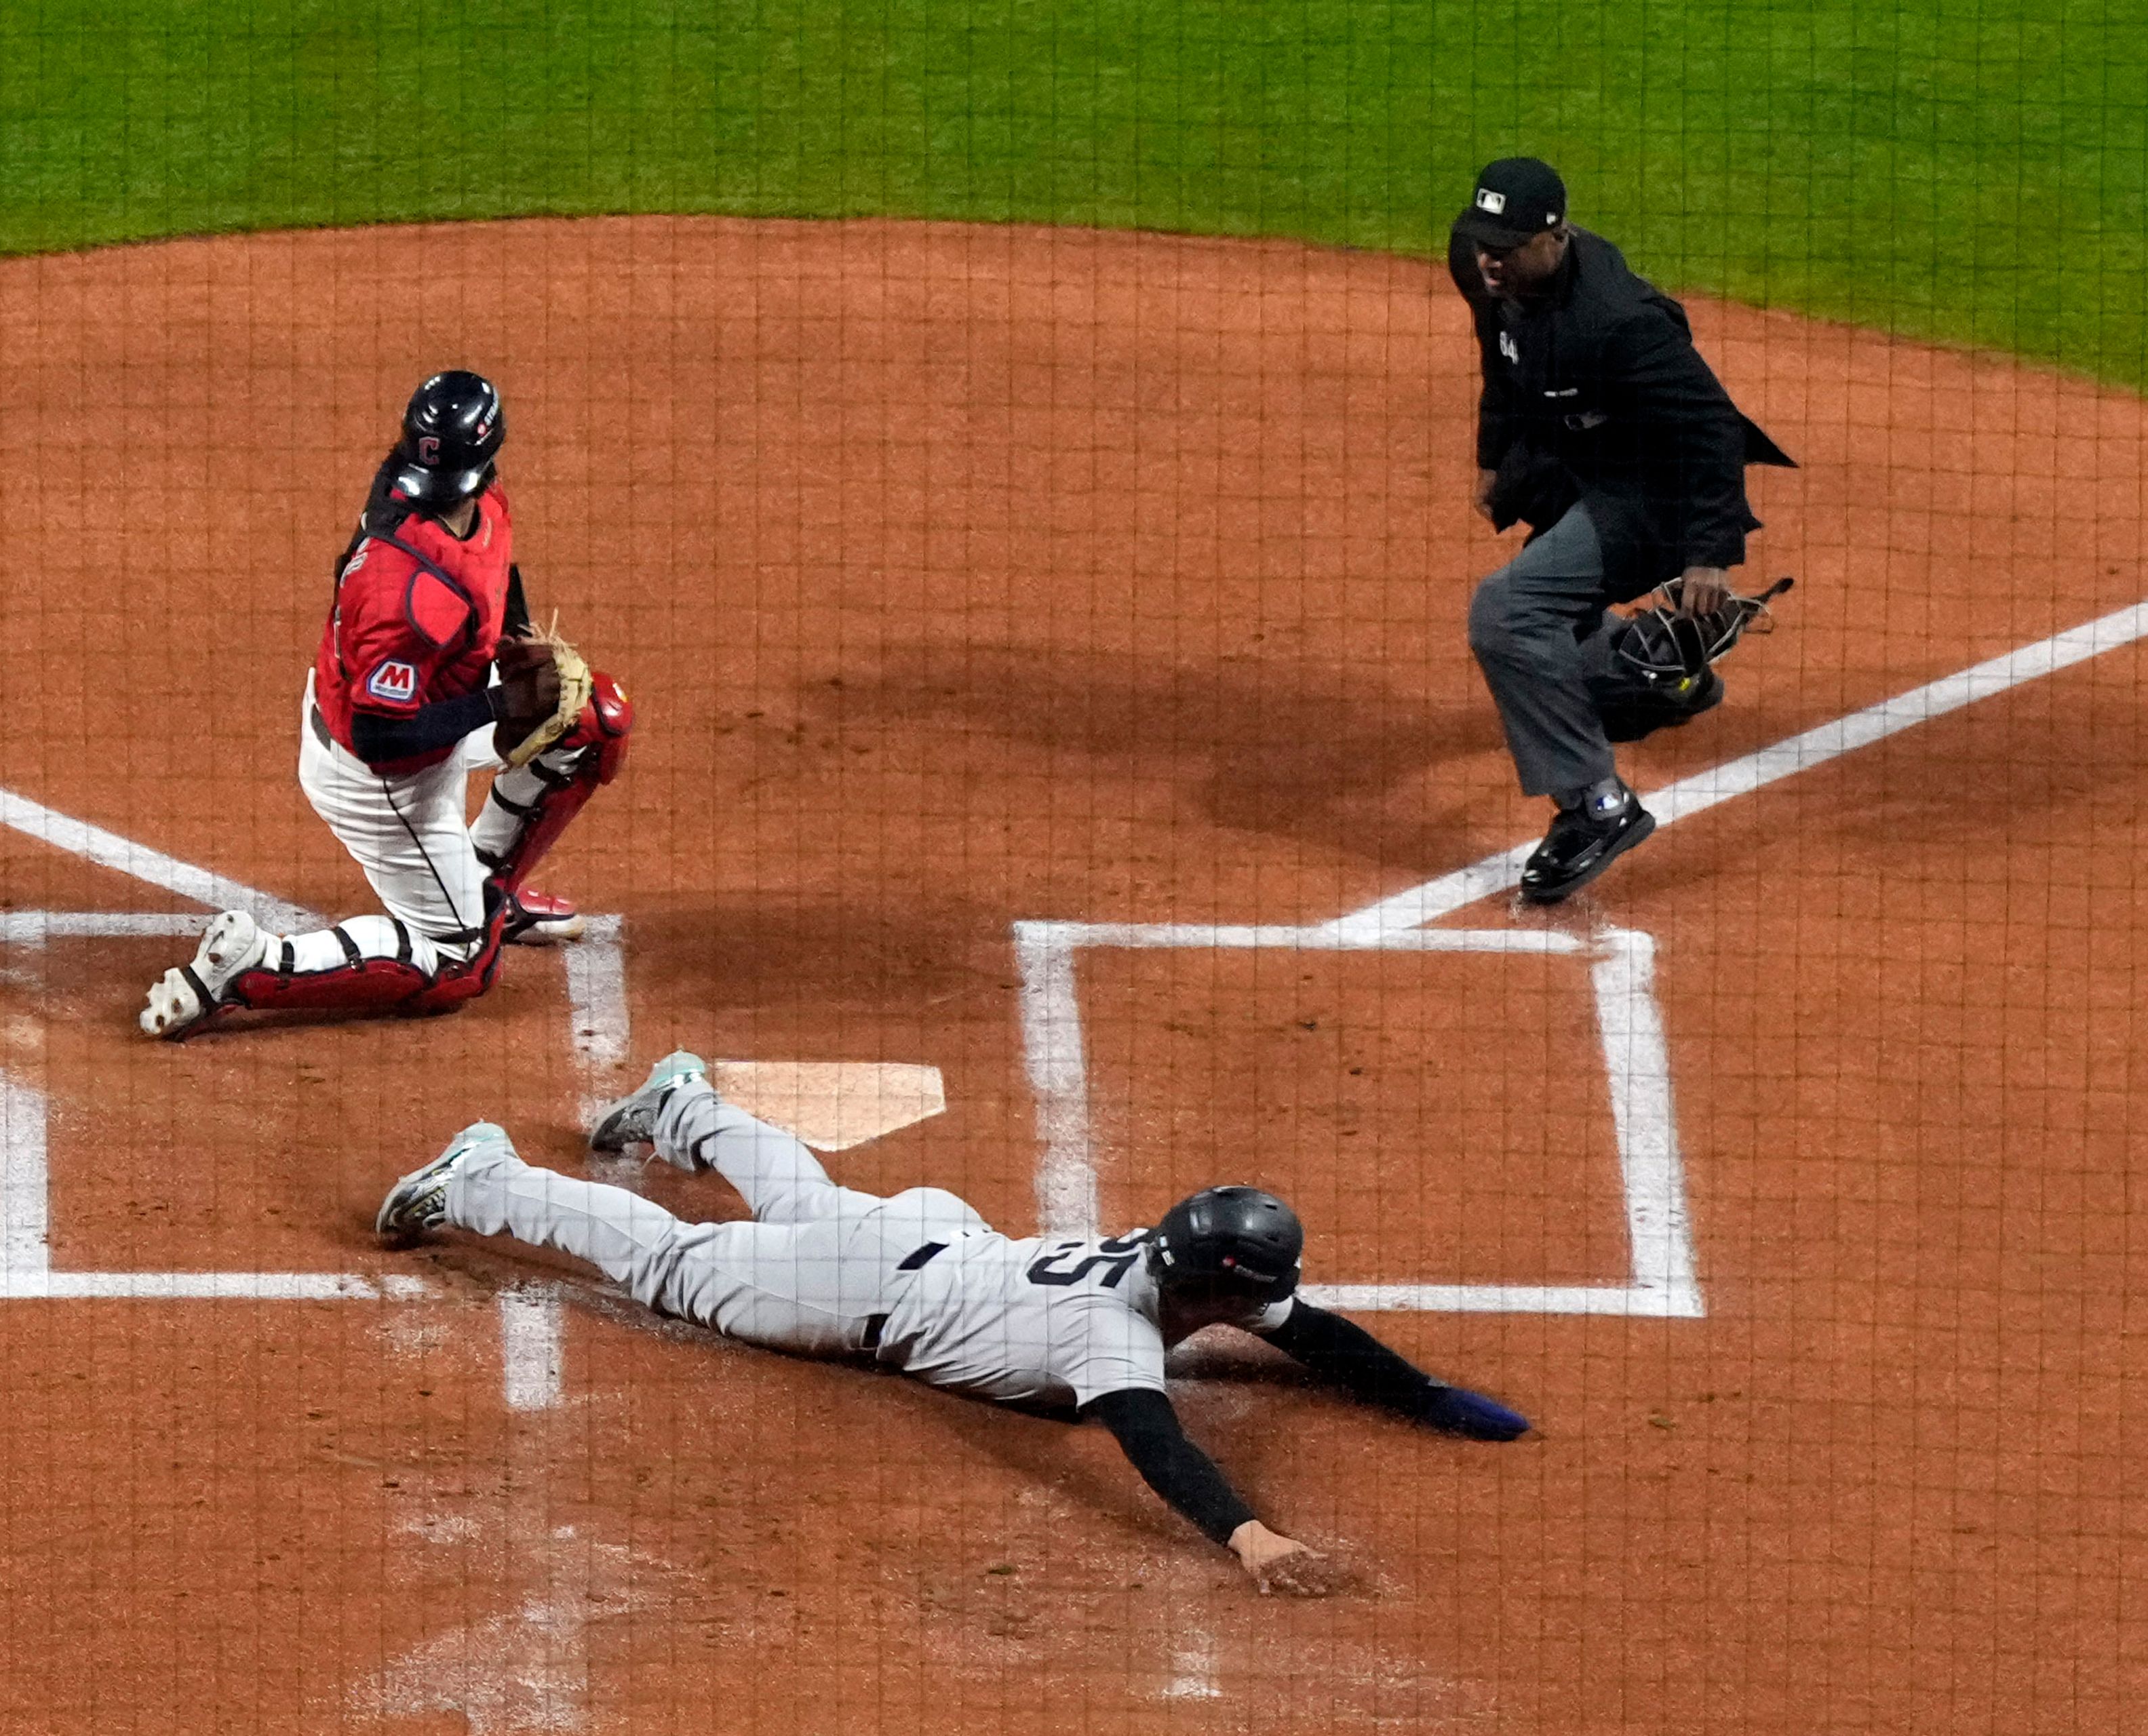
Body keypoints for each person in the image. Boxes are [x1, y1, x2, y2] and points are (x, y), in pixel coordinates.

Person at [376, 1053, 1530, 1594]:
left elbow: (1312, 1333)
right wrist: (1250, 1535)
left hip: (930, 1240)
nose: (1261, 1313)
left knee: (811, 1203)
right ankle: (483, 1181)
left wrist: (1424, 1398)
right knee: (672, 1264)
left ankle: (686, 1107)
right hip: (859, 1292)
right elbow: (1160, 1448)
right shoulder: (1111, 1342)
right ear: (1218, 1291)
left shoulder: (1172, 1265)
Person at [140, 370, 631, 1039]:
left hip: (432, 709)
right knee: (462, 965)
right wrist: (500, 701)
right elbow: (380, 737)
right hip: (375, 775)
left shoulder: (474, 498)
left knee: (591, 721)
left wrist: (517, 640)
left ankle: (486, 896)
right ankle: (251, 967)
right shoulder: (405, 589)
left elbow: (499, 570)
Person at [1452, 157, 1795, 902]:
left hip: (1655, 488)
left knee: (1508, 612)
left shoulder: (1619, 322)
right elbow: (1496, 353)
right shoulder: (1484, 265)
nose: (1490, 258)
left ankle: (1595, 807)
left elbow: (1708, 427)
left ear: (1558, 238)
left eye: (1509, 245)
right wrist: (1491, 459)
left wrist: (1710, 552)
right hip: (1582, 460)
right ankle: (1649, 671)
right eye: (1484, 241)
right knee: (1545, 616)